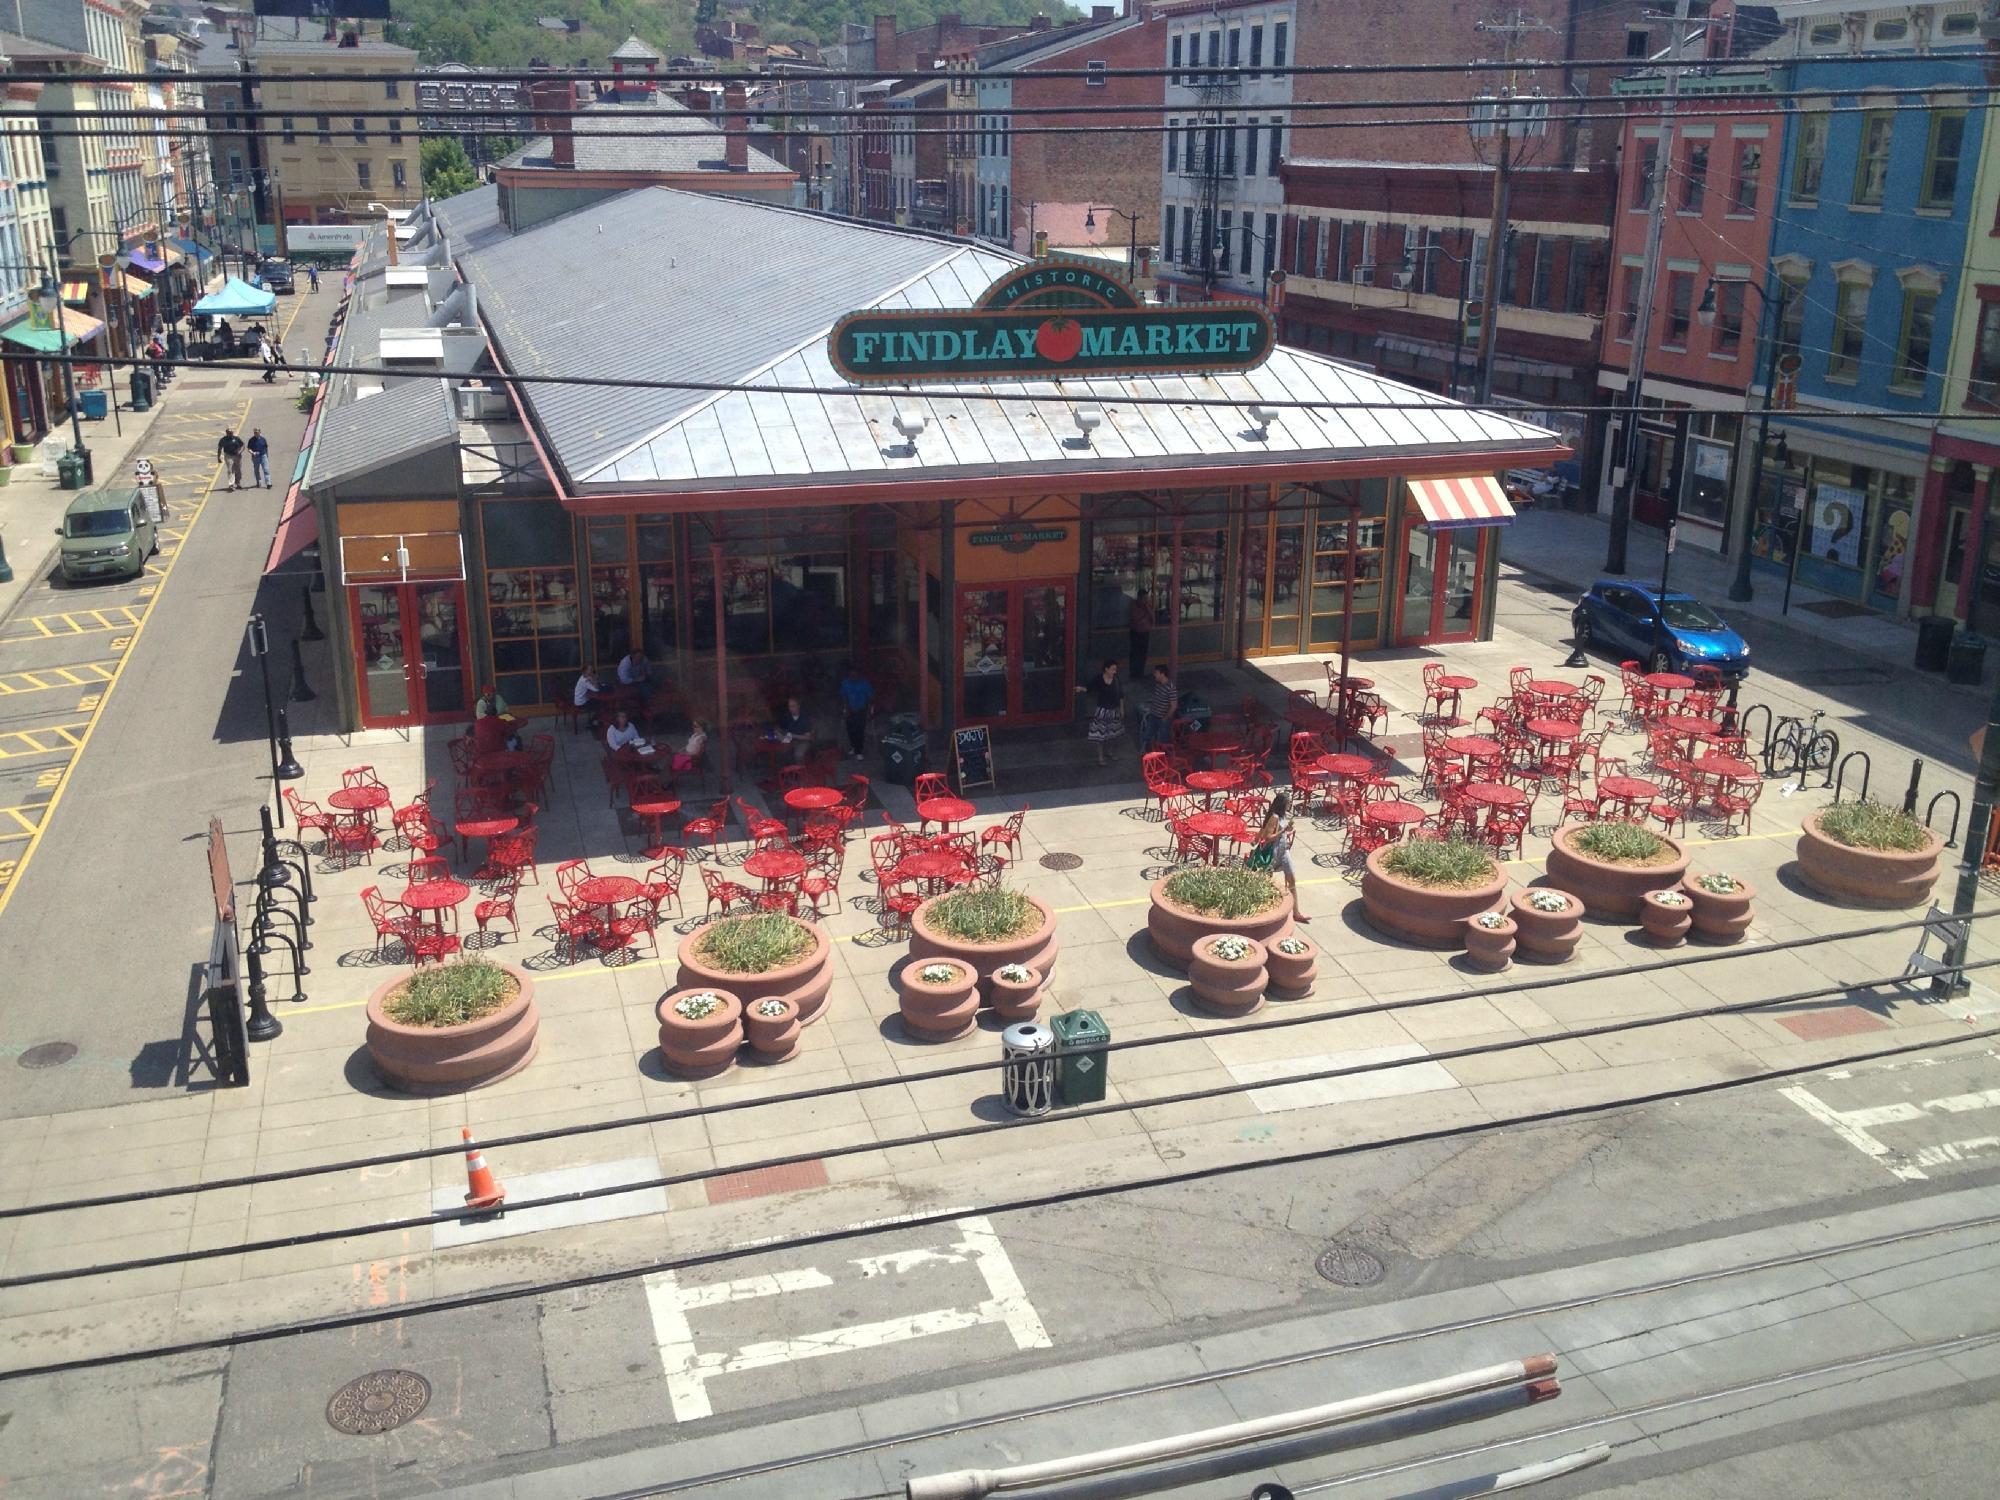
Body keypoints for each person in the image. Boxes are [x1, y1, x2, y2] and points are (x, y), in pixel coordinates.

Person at [1245, 792, 1309, 922]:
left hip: (1284, 851)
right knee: (1266, 880)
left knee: (1292, 879)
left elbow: (1263, 831)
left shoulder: (1282, 815)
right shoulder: (1274, 817)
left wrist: (1285, 830)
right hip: (1274, 851)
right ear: (1283, 804)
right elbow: (1267, 837)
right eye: (1288, 802)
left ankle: (1296, 913)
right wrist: (1283, 831)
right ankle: (1259, 908)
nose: (1290, 804)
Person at [1076, 660, 1125, 766]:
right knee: (1100, 735)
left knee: (1114, 733)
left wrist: (1121, 709)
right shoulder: (1099, 678)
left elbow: (1121, 695)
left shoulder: (1116, 679)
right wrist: (1081, 689)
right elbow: (1089, 688)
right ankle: (1100, 757)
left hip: (1114, 709)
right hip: (1102, 710)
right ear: (1106, 669)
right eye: (1112, 669)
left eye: (1115, 669)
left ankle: (1110, 752)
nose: (1114, 672)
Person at [1139, 663, 1179, 756]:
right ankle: (1144, 750)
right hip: (1154, 715)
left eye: (1156, 673)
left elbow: (1174, 705)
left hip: (1163, 718)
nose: (1154, 675)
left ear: (1162, 674)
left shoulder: (1171, 687)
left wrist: (1166, 717)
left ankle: (1163, 756)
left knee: (1163, 739)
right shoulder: (1158, 685)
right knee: (1147, 734)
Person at [838, 664, 874, 760]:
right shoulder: (845, 683)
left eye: (854, 675)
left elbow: (870, 698)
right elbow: (844, 696)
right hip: (850, 710)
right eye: (850, 675)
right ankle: (854, 747)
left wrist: (869, 712)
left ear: (858, 675)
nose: (852, 677)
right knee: (850, 730)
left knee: (859, 731)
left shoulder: (864, 683)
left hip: (861, 710)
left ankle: (859, 751)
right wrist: (845, 709)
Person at [1127, 588, 1154, 684]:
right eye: (1143, 598)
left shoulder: (1147, 605)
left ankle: (1141, 672)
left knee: (1143, 653)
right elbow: (1136, 619)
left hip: (1145, 632)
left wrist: (1147, 607)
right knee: (1135, 652)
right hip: (1136, 632)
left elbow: (1152, 617)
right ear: (1139, 598)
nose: (1145, 600)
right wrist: (1145, 617)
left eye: (1146, 598)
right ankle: (1134, 672)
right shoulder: (1134, 605)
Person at [773, 695, 811, 762]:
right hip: (789, 740)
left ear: (798, 706)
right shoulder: (787, 716)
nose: (791, 708)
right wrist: (778, 733)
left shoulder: (805, 718)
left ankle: (800, 771)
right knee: (779, 753)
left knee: (798, 755)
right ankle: (785, 771)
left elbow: (808, 737)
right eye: (789, 706)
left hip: (802, 742)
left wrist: (794, 736)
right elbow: (779, 728)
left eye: (793, 706)